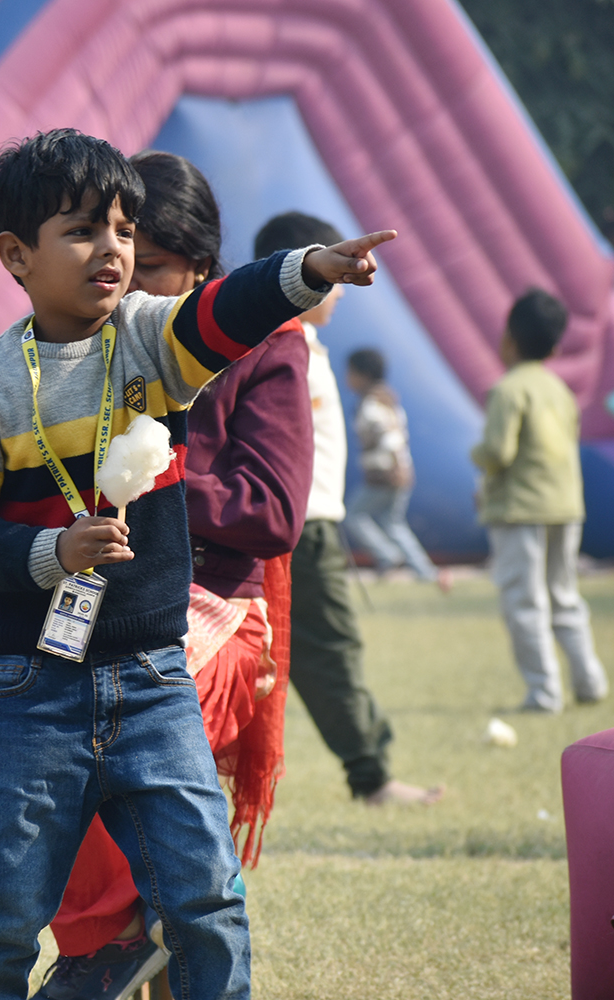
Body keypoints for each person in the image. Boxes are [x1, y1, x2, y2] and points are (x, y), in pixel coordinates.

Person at [0, 129, 391, 1000]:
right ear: (16, 255)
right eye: (82, 231)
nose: (112, 249)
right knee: (0, 918)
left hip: (153, 679)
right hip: (33, 690)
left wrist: (307, 270)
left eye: (124, 230)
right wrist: (50, 553)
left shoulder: (150, 340)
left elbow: (226, 311)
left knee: (208, 900)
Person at [255, 212, 443, 807]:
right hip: (302, 524)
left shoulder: (301, 344)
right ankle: (372, 776)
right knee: (330, 646)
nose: (339, 292)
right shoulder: (278, 343)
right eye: (333, 276)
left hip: (309, 520)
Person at [472, 288, 607, 712]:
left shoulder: (508, 390)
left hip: (520, 510)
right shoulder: (559, 390)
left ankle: (544, 692)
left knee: (524, 601)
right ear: (554, 347)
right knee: (564, 596)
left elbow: (498, 452)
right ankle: (590, 681)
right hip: (565, 506)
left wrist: (476, 455)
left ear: (509, 339)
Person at [340, 347, 447, 588]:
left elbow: (390, 437)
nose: (347, 378)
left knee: (354, 515)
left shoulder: (372, 405)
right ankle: (424, 571)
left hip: (386, 474)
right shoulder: (387, 400)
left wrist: (391, 463)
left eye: (351, 373)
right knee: (393, 523)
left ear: (363, 375)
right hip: (400, 472)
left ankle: (387, 554)